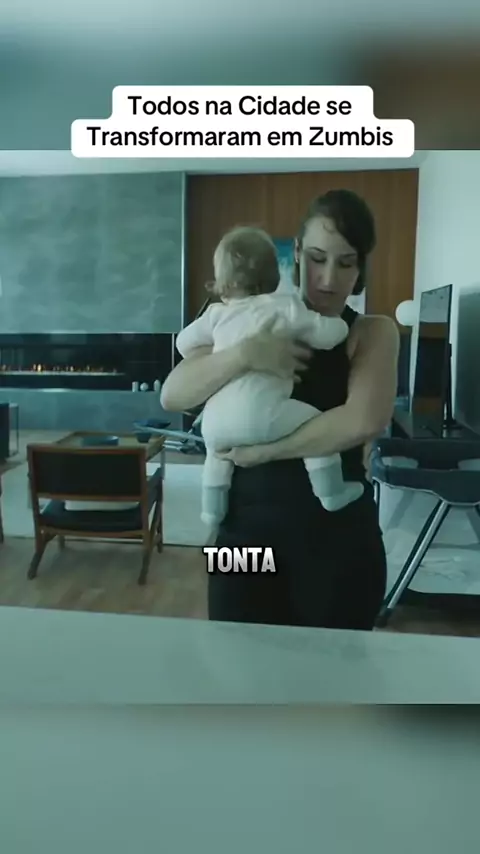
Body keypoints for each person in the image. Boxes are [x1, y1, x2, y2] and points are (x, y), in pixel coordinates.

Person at [161, 189, 399, 631]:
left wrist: (264, 452)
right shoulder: (249, 317)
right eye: (317, 258)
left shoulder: (373, 332)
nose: (328, 278)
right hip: (241, 535)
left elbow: (362, 420)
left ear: (360, 268)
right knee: (233, 659)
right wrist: (245, 354)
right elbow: (172, 395)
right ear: (296, 256)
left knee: (337, 669)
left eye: (346, 263)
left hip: (337, 541)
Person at [175, 225, 363, 534]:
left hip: (215, 423)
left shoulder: (215, 314)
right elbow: (328, 335)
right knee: (319, 427)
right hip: (262, 416)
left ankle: (211, 512)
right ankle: (331, 492)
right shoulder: (284, 307)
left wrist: (219, 347)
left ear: (223, 282)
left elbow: (183, 343)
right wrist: (340, 325)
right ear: (277, 274)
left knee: (216, 456)